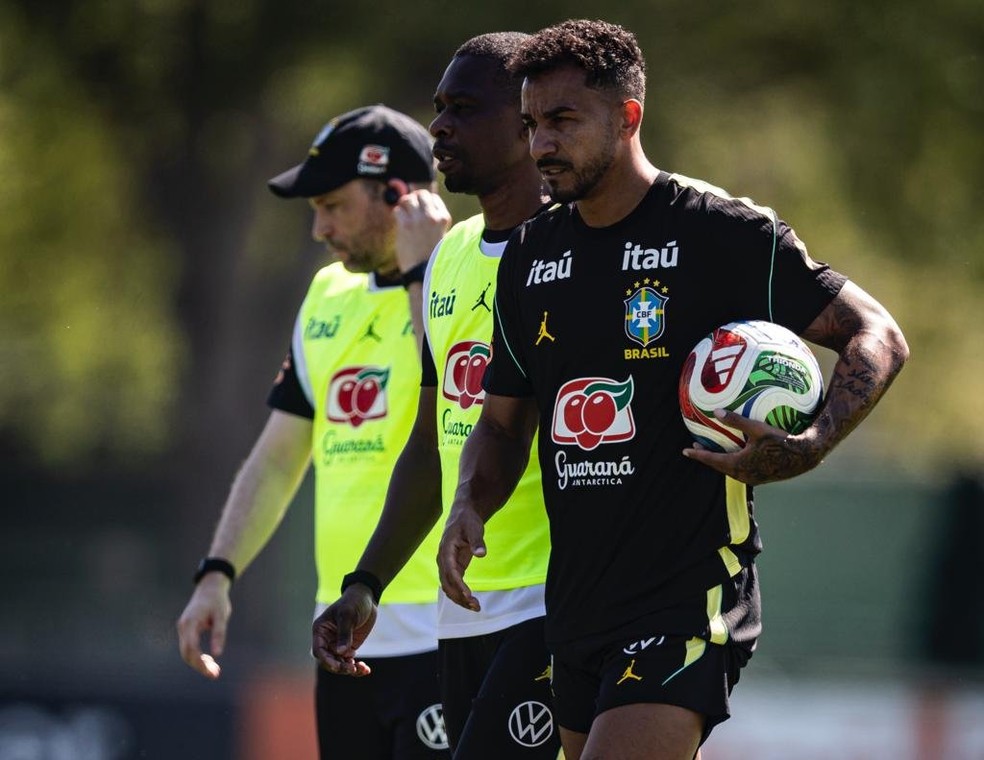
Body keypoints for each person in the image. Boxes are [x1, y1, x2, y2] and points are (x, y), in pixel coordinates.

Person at [436, 19, 909, 760]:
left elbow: (876, 335)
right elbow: (501, 422)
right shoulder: (531, 255)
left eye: (563, 121)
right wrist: (471, 503)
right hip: (577, 606)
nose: (541, 146)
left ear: (628, 117)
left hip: (688, 594)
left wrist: (811, 443)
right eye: (531, 124)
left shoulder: (720, 232)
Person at [176, 104, 453, 759]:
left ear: (399, 195)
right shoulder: (327, 294)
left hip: (453, 635)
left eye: (332, 205)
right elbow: (277, 458)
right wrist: (217, 573)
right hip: (345, 636)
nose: (319, 228)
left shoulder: (470, 271)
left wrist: (424, 271)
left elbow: (449, 386)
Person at [311, 34, 561, 759]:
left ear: (526, 125)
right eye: (437, 109)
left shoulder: (570, 250)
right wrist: (367, 584)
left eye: (463, 109)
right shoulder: (452, 254)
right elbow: (432, 444)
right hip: (464, 618)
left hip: (551, 607)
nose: (439, 128)